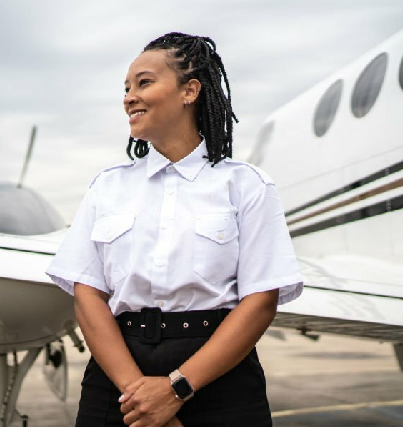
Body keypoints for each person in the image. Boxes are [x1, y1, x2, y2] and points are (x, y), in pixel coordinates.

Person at [46, 32, 303, 427]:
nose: (129, 96)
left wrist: (175, 389)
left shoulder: (247, 185)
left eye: (144, 83)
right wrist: (141, 396)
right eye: (127, 88)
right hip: (118, 377)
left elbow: (260, 301)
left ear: (190, 91)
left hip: (219, 378)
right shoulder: (107, 186)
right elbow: (86, 295)